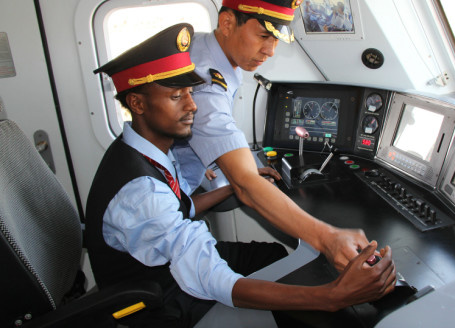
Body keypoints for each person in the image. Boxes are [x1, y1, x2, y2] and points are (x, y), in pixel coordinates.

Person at [86, 23, 396, 327]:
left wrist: (230, 188)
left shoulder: (146, 149)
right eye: (176, 97)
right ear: (137, 103)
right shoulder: (141, 192)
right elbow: (215, 281)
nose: (193, 105)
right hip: (160, 304)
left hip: (167, 267)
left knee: (273, 256)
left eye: (190, 92)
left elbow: (180, 208)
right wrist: (332, 297)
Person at [173, 0, 388, 273]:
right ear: (226, 24)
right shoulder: (207, 83)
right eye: (263, 36)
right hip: (165, 228)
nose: (270, 51)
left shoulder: (200, 46)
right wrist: (327, 237)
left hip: (177, 196)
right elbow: (246, 187)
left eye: (276, 39)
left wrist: (209, 157)